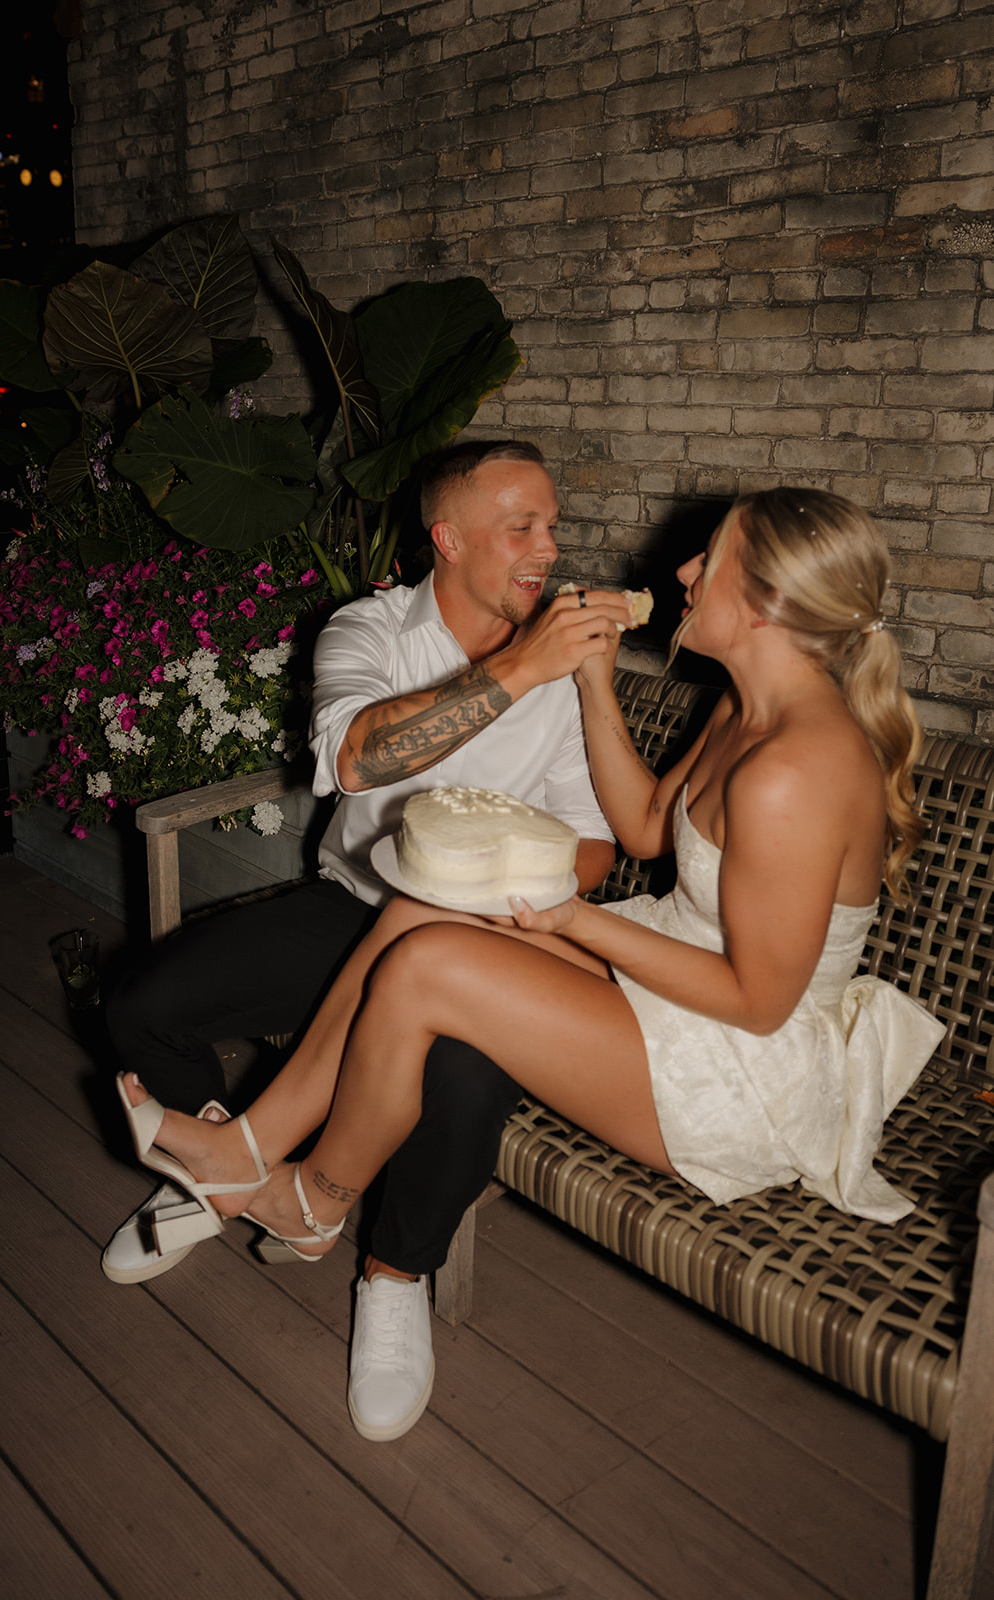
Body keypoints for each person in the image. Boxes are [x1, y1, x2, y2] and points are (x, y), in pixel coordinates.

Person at [114, 486, 947, 1439]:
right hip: (677, 980)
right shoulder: (745, 706)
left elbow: (756, 1004)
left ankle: (313, 1197)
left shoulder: (797, 767)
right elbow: (640, 825)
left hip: (740, 1068)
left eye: (707, 560)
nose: (680, 571)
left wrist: (567, 923)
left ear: (759, 606)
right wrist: (593, 684)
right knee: (424, 905)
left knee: (430, 966)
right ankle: (252, 1150)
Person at [103, 439, 618, 1439]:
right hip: (348, 907)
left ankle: (392, 1272)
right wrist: (518, 670)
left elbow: (593, 846)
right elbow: (355, 754)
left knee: (462, 1079)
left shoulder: (565, 682)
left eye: (550, 526)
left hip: (487, 943)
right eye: (522, 526)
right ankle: (231, 1182)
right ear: (448, 538)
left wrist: (507, 890)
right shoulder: (368, 629)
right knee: (140, 1006)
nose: (547, 548)